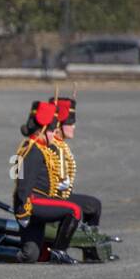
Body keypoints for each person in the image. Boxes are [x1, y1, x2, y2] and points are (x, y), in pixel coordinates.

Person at [13, 100, 80, 264]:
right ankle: (59, 252)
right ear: (43, 129)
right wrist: (23, 210)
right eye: (51, 130)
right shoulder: (32, 150)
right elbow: (22, 183)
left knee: (30, 255)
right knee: (74, 210)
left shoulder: (38, 147)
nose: (53, 134)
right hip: (32, 203)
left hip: (38, 202)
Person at [49, 95, 102, 230]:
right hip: (53, 198)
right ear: (59, 125)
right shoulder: (54, 146)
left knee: (92, 205)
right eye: (70, 123)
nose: (74, 126)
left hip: (61, 195)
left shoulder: (60, 144)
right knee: (93, 205)